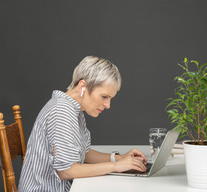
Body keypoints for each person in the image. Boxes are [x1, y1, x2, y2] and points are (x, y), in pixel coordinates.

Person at [18, 56, 147, 192]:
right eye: (104, 97)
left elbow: (83, 154)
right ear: (82, 87)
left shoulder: (73, 109)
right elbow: (66, 171)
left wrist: (119, 159)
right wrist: (115, 166)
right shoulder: (62, 112)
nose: (108, 105)